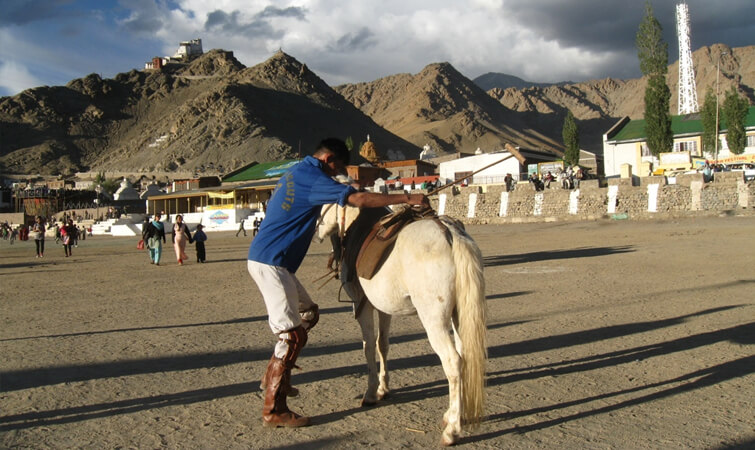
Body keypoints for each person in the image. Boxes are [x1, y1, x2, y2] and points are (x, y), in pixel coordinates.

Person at [247, 138, 429, 428]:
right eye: (338, 168)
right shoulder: (313, 177)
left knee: (308, 314)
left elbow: (343, 192)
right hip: (272, 263)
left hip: (271, 259)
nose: (336, 174)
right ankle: (274, 408)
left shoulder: (297, 172)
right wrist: (407, 199)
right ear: (329, 158)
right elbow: (356, 200)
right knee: (292, 335)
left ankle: (274, 377)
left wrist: (348, 188)